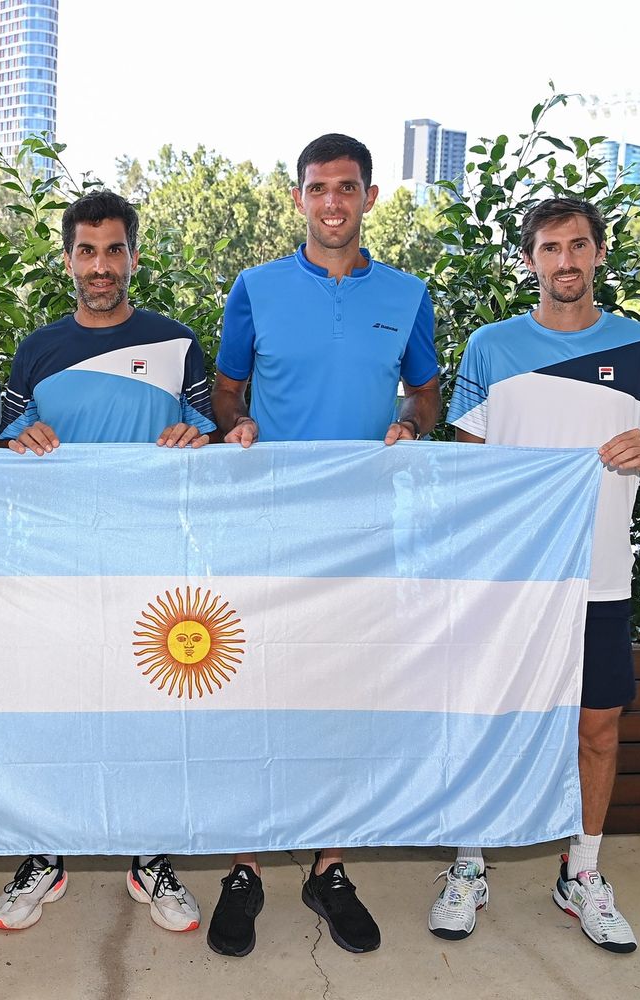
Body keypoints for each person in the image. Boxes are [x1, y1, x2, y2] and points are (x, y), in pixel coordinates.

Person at [208, 133, 441, 958]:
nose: (333, 203)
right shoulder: (256, 288)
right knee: (253, 689)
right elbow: (225, 390)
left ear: (370, 197)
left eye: (348, 188)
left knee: (346, 694)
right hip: (267, 528)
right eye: (318, 189)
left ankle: (329, 865)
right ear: (299, 198)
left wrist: (412, 424)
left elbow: (427, 393)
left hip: (364, 535)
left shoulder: (409, 294)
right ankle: (245, 865)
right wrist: (231, 424)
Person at [432, 197, 640, 953]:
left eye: (578, 245)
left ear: (599, 253)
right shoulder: (490, 347)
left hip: (600, 576)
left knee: (597, 729)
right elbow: (463, 464)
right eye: (549, 248)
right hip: (509, 582)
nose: (564, 261)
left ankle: (583, 873)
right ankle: (470, 865)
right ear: (530, 260)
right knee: (489, 719)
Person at [0, 189, 213, 933]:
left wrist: (200, 441)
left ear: (134, 257)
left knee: (150, 712)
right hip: (57, 568)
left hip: (153, 567)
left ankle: (151, 857)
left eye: (114, 249)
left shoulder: (179, 344)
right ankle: (43, 853)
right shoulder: (37, 350)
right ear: (67, 260)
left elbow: (213, 447)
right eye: (87, 251)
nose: (100, 265)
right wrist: (18, 444)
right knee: (51, 707)